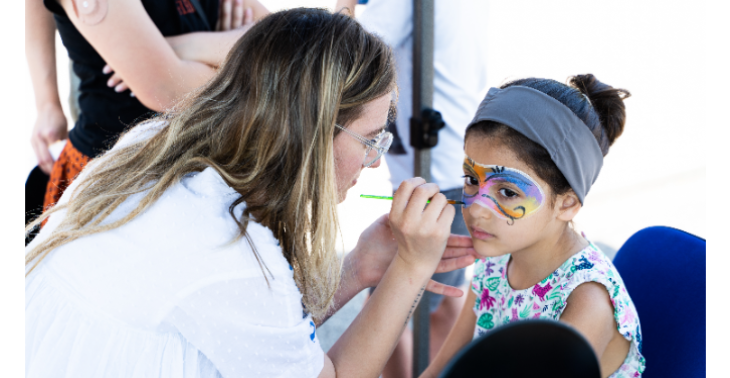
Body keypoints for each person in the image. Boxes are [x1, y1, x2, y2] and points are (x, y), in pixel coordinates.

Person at [25, 8, 479, 377]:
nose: (376, 161)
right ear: (313, 130)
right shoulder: (228, 242)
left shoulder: (155, 146)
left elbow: (259, 333)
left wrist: (360, 266)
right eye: (371, 140)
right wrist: (409, 269)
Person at [420, 75, 646, 378]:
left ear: (567, 204)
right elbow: (445, 366)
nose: (476, 208)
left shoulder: (585, 301)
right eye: (472, 180)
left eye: (508, 192)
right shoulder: (496, 256)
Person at [334, 1, 488, 375]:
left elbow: (343, 54)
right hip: (452, 164)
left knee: (390, 311)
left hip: (436, 174)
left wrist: (344, 9)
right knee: (442, 297)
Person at [25, 0, 268, 225]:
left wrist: (182, 47)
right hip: (121, 183)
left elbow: (283, 49)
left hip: (221, 163)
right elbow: (170, 90)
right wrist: (238, 51)